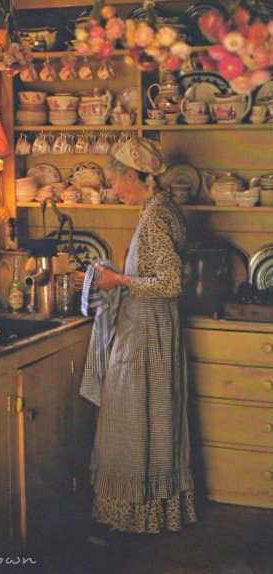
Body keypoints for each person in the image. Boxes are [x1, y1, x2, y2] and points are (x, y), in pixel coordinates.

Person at [84, 137, 197, 541]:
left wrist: (117, 279)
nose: (113, 191)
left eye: (116, 182)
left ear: (133, 176)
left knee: (131, 418)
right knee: (150, 418)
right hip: (152, 326)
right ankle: (147, 512)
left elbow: (169, 282)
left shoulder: (155, 217)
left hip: (146, 332)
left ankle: (131, 516)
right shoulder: (162, 209)